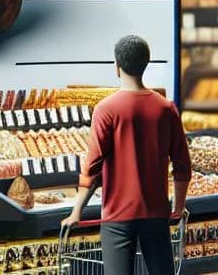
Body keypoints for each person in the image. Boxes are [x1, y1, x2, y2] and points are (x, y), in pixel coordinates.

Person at [60, 35, 191, 274]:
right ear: (146, 64)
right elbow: (182, 164)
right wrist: (178, 207)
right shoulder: (165, 108)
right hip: (156, 214)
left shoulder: (106, 109)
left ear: (117, 67)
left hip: (117, 218)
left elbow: (93, 167)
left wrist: (76, 211)